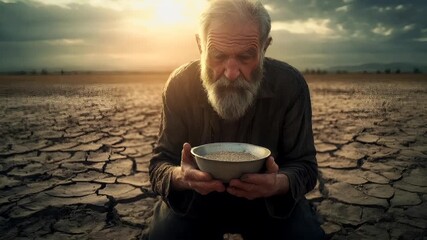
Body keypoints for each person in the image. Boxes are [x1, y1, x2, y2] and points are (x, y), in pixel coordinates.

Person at [148, 0, 325, 239]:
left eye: (246, 56)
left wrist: (278, 183)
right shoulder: (180, 85)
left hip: (271, 207)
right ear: (201, 46)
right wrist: (183, 177)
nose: (231, 73)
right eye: (218, 55)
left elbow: (305, 166)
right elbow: (160, 164)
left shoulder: (290, 86)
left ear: (264, 47)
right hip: (194, 204)